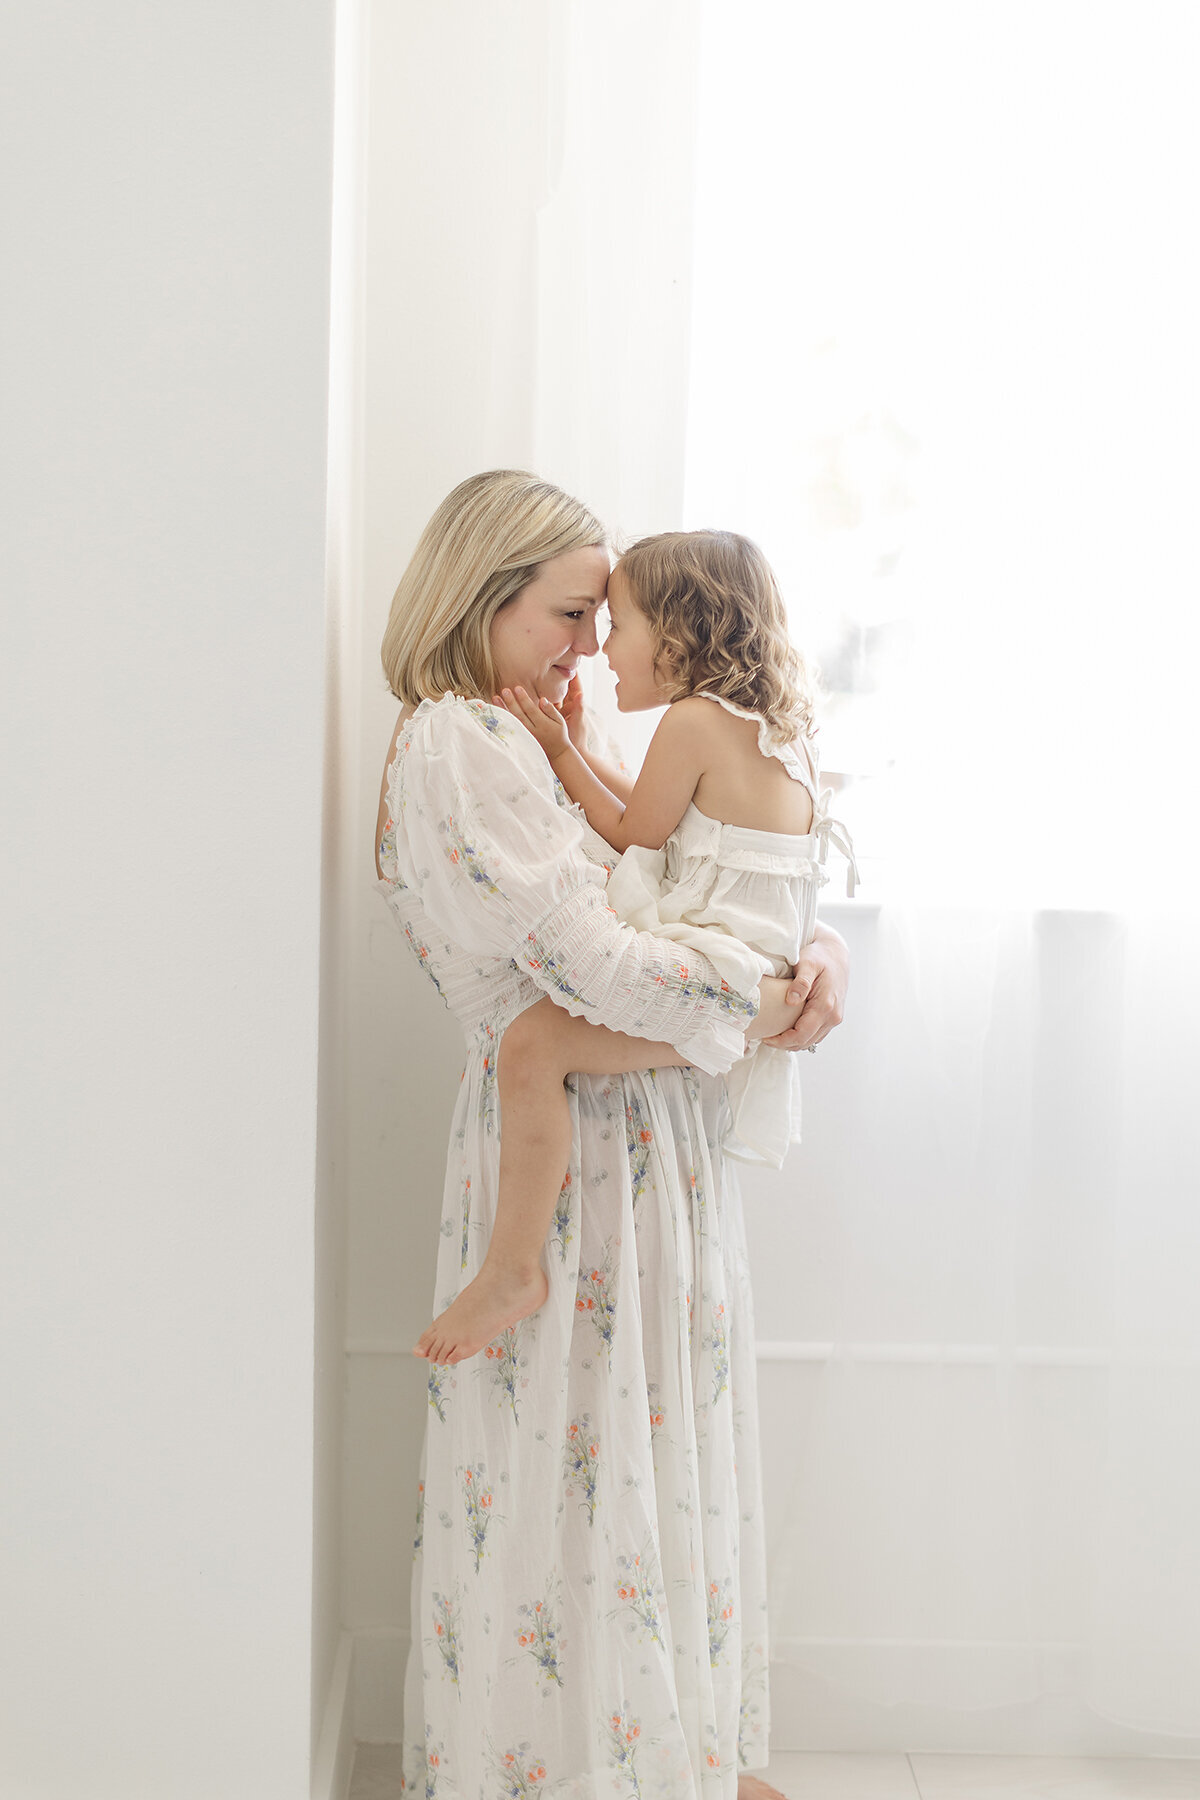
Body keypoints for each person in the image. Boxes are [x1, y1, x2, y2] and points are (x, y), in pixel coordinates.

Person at [374, 471, 851, 1800]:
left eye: (602, 619)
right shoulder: (458, 741)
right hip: (580, 1148)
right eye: (570, 615)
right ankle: (595, 1762)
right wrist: (765, 1003)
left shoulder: (515, 730)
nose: (590, 649)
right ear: (480, 600)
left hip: (638, 1133)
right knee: (579, 1476)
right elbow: (589, 958)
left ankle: (674, 1748)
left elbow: (689, 876)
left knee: (635, 1462)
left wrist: (807, 958)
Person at [414, 529, 858, 1369]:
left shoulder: (692, 721)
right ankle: (512, 1269)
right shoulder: (768, 727)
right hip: (755, 961)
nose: (602, 647)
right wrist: (578, 751)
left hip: (723, 971)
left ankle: (511, 1269)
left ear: (680, 631)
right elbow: (677, 829)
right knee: (542, 1041)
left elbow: (631, 834)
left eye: (615, 623)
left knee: (535, 1043)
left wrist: (558, 752)